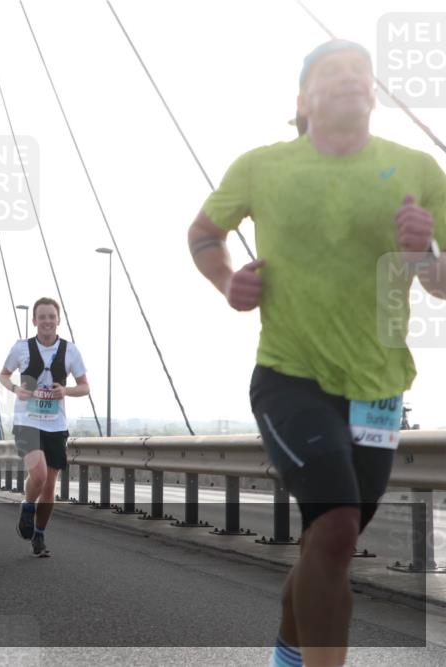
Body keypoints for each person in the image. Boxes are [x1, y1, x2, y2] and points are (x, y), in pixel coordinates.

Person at [187, 40, 445, 667]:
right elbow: (204, 234)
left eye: (361, 71)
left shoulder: (418, 171)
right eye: (333, 72)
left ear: (374, 93)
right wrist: (228, 281)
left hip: (379, 388)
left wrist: (424, 256)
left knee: (328, 541)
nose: (351, 78)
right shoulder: (262, 167)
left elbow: (442, 283)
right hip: (289, 377)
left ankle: (286, 655)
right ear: (303, 101)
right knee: (334, 526)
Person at [0, 297, 89, 558]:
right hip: (26, 422)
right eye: (42, 317)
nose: (47, 321)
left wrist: (66, 391)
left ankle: (38, 535)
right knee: (37, 475)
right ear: (34, 320)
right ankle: (27, 506)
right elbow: (3, 375)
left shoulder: (70, 351)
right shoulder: (21, 348)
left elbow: (85, 387)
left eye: (51, 316)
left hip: (56, 425)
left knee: (49, 488)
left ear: (58, 320)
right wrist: (15, 388)